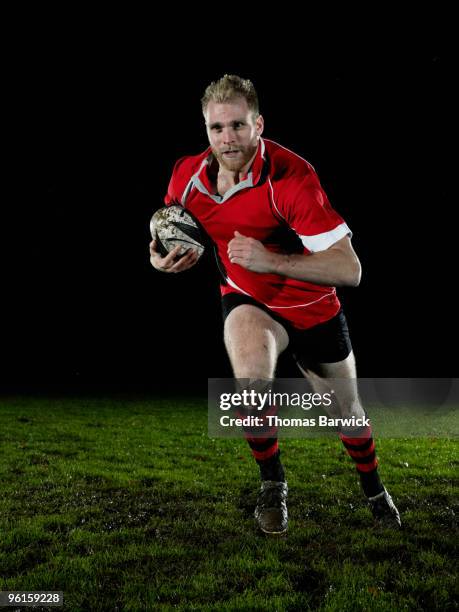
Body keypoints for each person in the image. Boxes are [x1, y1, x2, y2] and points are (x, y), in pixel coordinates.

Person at [149, 74, 401, 535]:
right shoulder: (187, 175)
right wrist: (161, 255)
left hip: (312, 309)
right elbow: (172, 224)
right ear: (205, 128)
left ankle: (374, 489)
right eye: (217, 128)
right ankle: (273, 485)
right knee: (251, 387)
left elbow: (351, 270)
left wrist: (270, 259)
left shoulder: (291, 178)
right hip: (246, 300)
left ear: (258, 124)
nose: (227, 139)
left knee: (348, 413)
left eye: (238, 126)